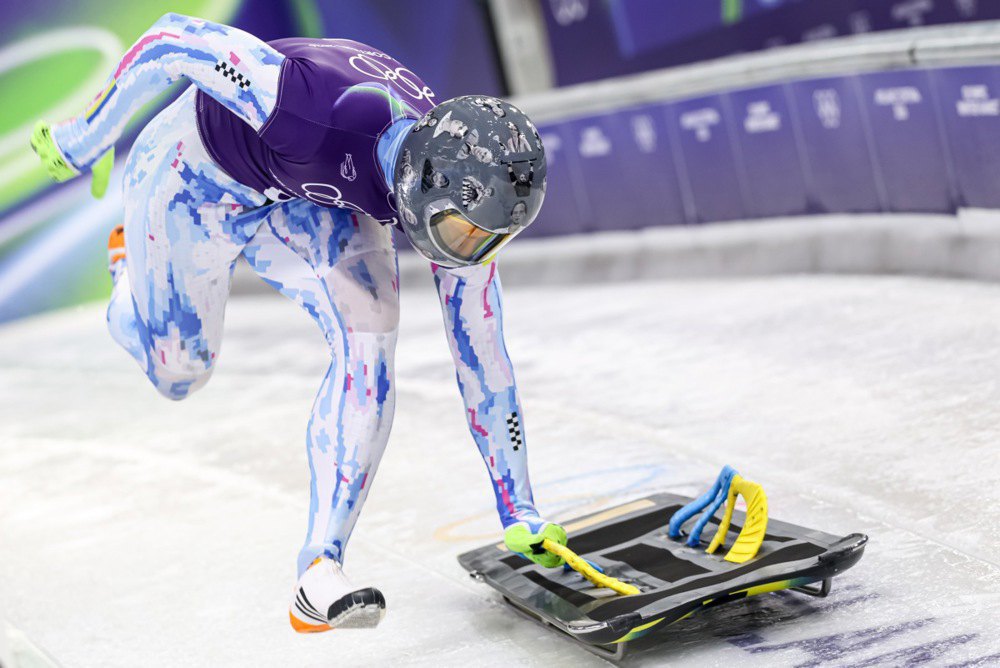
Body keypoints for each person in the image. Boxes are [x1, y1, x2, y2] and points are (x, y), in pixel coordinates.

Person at [30, 13, 563, 633]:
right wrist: (87, 136)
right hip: (191, 185)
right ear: (424, 185)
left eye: (490, 240)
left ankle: (320, 567)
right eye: (461, 233)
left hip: (302, 195)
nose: (464, 253)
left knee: (371, 329)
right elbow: (174, 38)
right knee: (179, 376)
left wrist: (518, 505)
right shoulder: (306, 104)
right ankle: (129, 269)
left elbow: (485, 360)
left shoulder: (458, 198)